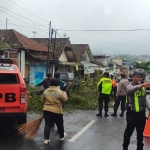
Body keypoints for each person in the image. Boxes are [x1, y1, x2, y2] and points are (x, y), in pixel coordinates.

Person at [122, 68, 150, 150]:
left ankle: (140, 148)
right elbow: (130, 91)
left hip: (141, 114)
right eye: (138, 76)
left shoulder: (142, 87)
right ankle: (125, 147)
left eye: (141, 77)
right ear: (133, 76)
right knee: (128, 132)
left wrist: (149, 108)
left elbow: (145, 98)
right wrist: (142, 85)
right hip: (132, 114)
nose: (139, 79)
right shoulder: (129, 85)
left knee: (140, 133)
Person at [41, 78, 68, 144]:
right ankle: (62, 136)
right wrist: (64, 94)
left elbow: (42, 101)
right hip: (57, 111)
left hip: (47, 110)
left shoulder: (46, 91)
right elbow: (65, 99)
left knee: (48, 124)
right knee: (59, 124)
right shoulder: (59, 91)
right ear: (56, 84)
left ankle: (46, 140)